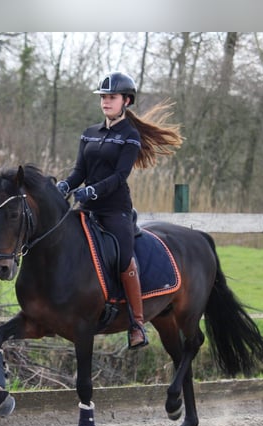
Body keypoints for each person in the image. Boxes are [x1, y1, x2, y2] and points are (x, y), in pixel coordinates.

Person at [57, 71, 183, 349]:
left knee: (125, 259)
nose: (105, 102)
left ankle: (137, 323)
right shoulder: (89, 133)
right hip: (87, 210)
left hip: (116, 212)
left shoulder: (130, 136)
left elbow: (119, 176)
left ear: (126, 100)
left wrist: (93, 190)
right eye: (103, 97)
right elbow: (80, 170)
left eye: (111, 97)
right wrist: (65, 185)